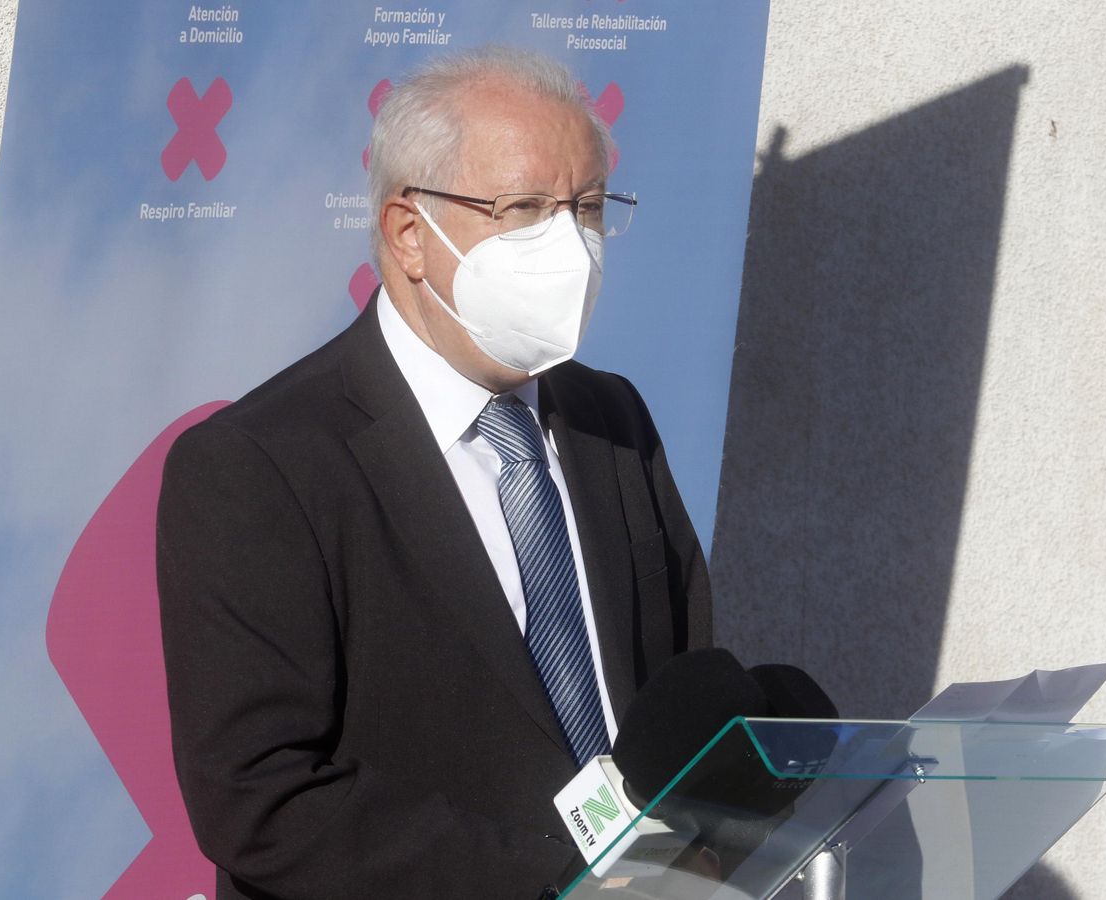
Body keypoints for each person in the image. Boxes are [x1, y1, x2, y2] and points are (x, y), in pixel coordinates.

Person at [156, 47, 712, 900]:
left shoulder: (612, 420)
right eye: (524, 209)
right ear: (410, 234)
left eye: (588, 208)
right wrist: (564, 886)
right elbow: (260, 796)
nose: (568, 245)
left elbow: (685, 679)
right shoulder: (259, 465)